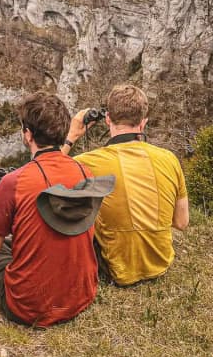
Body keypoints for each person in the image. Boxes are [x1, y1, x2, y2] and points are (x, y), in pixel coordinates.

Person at [0, 91, 106, 327]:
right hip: (80, 296)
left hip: (29, 307)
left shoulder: (13, 183)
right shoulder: (83, 173)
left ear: (28, 135)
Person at [64, 84, 189, 286]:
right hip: (159, 265)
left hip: (114, 270)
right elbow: (182, 222)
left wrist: (71, 137)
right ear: (144, 123)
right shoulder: (169, 159)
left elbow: (41, 174)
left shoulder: (87, 162)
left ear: (107, 120)